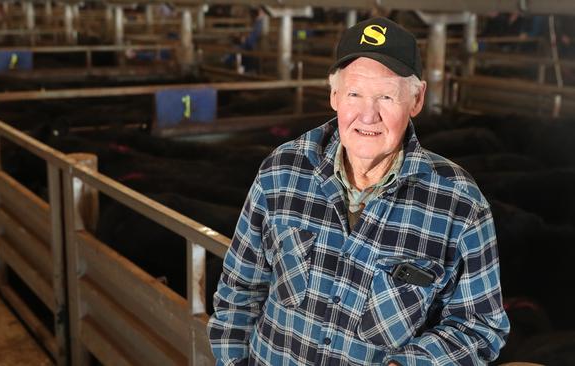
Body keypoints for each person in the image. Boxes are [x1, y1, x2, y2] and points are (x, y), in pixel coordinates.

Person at [208, 16, 509, 365]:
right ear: (334, 95)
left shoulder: (460, 204)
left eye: (386, 96)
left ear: (416, 100)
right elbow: (238, 290)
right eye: (354, 93)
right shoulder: (282, 171)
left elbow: (479, 326)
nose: (368, 115)